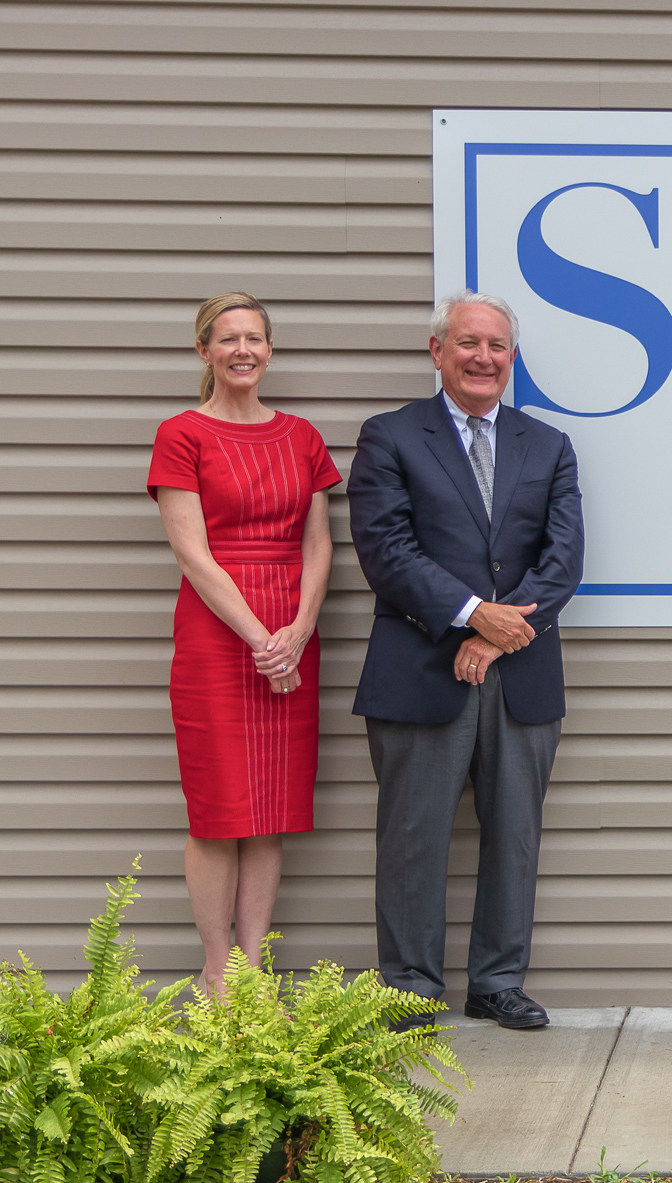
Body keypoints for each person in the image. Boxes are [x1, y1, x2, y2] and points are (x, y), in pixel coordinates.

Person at [348, 290, 583, 1030]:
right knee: (413, 836)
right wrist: (468, 614)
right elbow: (386, 551)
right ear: (438, 350)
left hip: (521, 676)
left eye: (498, 347)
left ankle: (497, 980)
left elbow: (564, 557)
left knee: (514, 835)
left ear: (512, 359)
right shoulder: (389, 437)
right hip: (421, 669)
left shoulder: (546, 445)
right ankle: (410, 987)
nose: (484, 358)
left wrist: (499, 631)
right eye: (470, 343)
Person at [149, 292, 340, 997]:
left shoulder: (300, 435)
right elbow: (193, 555)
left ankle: (253, 970)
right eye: (227, 339)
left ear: (269, 349)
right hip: (218, 637)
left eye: (254, 338)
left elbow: (319, 543)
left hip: (292, 633)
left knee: (270, 809)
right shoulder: (181, 434)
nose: (242, 351)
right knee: (219, 809)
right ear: (204, 351)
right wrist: (264, 640)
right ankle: (214, 972)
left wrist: (299, 628)